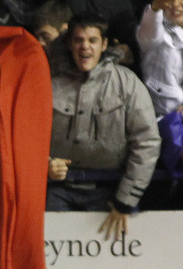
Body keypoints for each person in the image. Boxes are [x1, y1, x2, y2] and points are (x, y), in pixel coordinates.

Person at [47, 13, 160, 240]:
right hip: (53, 192)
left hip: (110, 193)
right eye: (78, 40)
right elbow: (24, 137)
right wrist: (44, 166)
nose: (85, 47)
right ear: (69, 43)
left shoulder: (127, 83)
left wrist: (125, 201)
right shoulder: (46, 81)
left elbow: (147, 142)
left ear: (104, 44)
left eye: (92, 40)